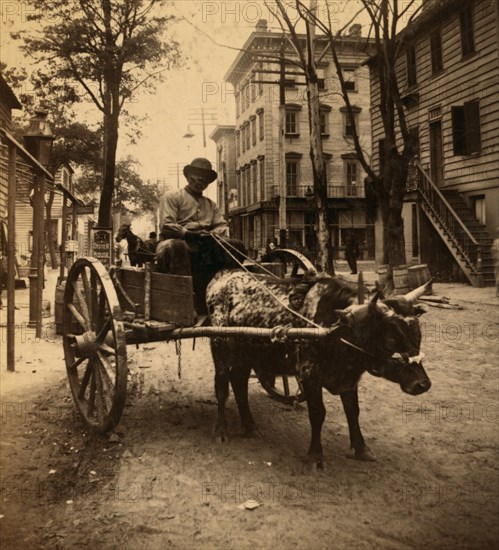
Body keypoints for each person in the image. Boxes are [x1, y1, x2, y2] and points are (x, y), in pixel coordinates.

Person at [156, 157, 246, 316]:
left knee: (236, 245)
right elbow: (166, 225)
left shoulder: (211, 204)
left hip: (204, 242)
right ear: (189, 176)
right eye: (198, 175)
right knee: (178, 247)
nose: (201, 180)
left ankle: (227, 296)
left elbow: (221, 225)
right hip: (174, 241)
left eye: (205, 178)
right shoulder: (172, 196)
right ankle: (185, 301)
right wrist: (188, 233)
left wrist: (212, 234)